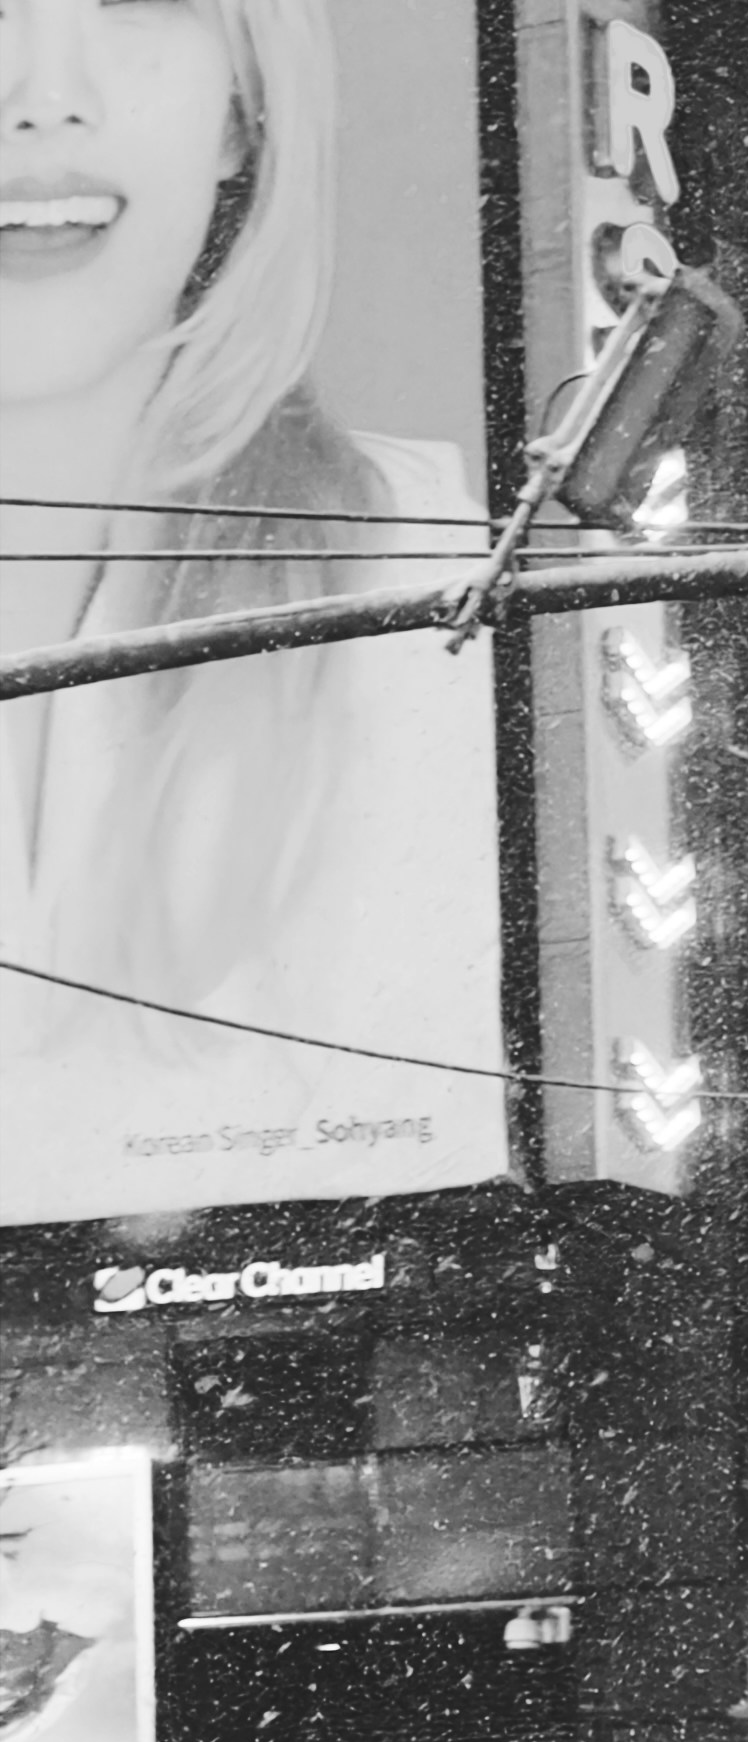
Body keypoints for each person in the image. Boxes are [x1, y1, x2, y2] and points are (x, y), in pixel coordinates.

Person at [0, 0, 503, 1210]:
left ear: (245, 111)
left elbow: (416, 1119)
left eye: (133, 3)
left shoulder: (405, 546)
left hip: (290, 1315)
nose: (42, 90)